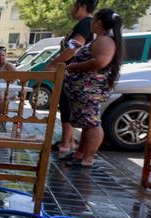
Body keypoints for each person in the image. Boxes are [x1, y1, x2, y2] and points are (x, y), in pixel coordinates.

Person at [61, 9, 123, 167]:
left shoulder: (105, 41)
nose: (91, 23)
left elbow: (101, 61)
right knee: (86, 124)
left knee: (92, 123)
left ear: (99, 22)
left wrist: (75, 66)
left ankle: (87, 159)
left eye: (93, 20)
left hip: (90, 90)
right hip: (83, 91)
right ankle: (79, 154)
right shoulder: (102, 39)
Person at [47, 0, 98, 153]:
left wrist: (53, 63)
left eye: (73, 6)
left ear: (82, 6)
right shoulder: (85, 24)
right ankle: (68, 141)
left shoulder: (85, 23)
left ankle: (66, 143)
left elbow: (74, 48)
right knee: (65, 104)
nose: (71, 9)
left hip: (73, 73)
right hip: (71, 72)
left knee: (67, 105)